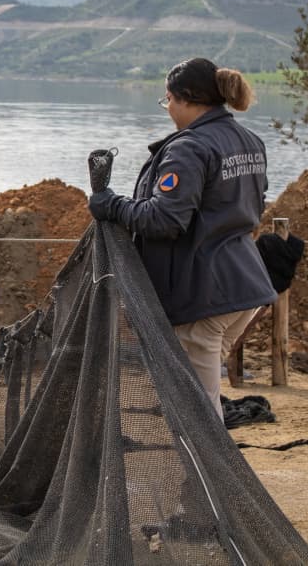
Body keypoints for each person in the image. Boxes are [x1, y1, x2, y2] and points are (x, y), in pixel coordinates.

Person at [88, 57, 276, 420]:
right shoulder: (249, 141)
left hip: (202, 294)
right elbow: (254, 206)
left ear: (185, 99)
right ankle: (205, 475)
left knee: (195, 408)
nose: (168, 108)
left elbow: (164, 219)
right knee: (198, 392)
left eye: (167, 100)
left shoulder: (188, 148)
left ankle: (208, 477)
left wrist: (113, 205)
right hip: (245, 286)